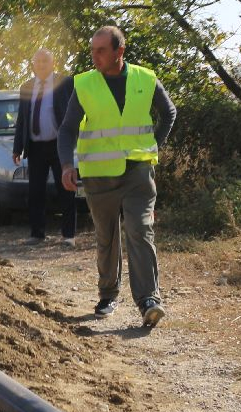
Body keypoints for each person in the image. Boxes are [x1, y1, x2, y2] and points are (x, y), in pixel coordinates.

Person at [59, 26, 176, 328]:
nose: (95, 56)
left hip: (137, 172)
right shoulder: (84, 84)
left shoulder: (145, 78)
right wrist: (66, 166)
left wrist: (154, 145)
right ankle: (108, 294)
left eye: (101, 50)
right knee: (107, 237)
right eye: (92, 50)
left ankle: (149, 300)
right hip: (99, 175)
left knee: (140, 229)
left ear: (119, 52)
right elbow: (68, 129)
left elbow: (169, 112)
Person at [13, 48, 77, 245]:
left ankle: (68, 236)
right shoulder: (26, 87)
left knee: (66, 190)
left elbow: (73, 111)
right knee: (36, 192)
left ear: (53, 64)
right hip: (35, 147)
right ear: (32, 65)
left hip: (60, 146)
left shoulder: (64, 83)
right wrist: (17, 148)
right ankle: (37, 234)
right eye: (38, 61)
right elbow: (22, 119)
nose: (41, 65)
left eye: (45, 61)